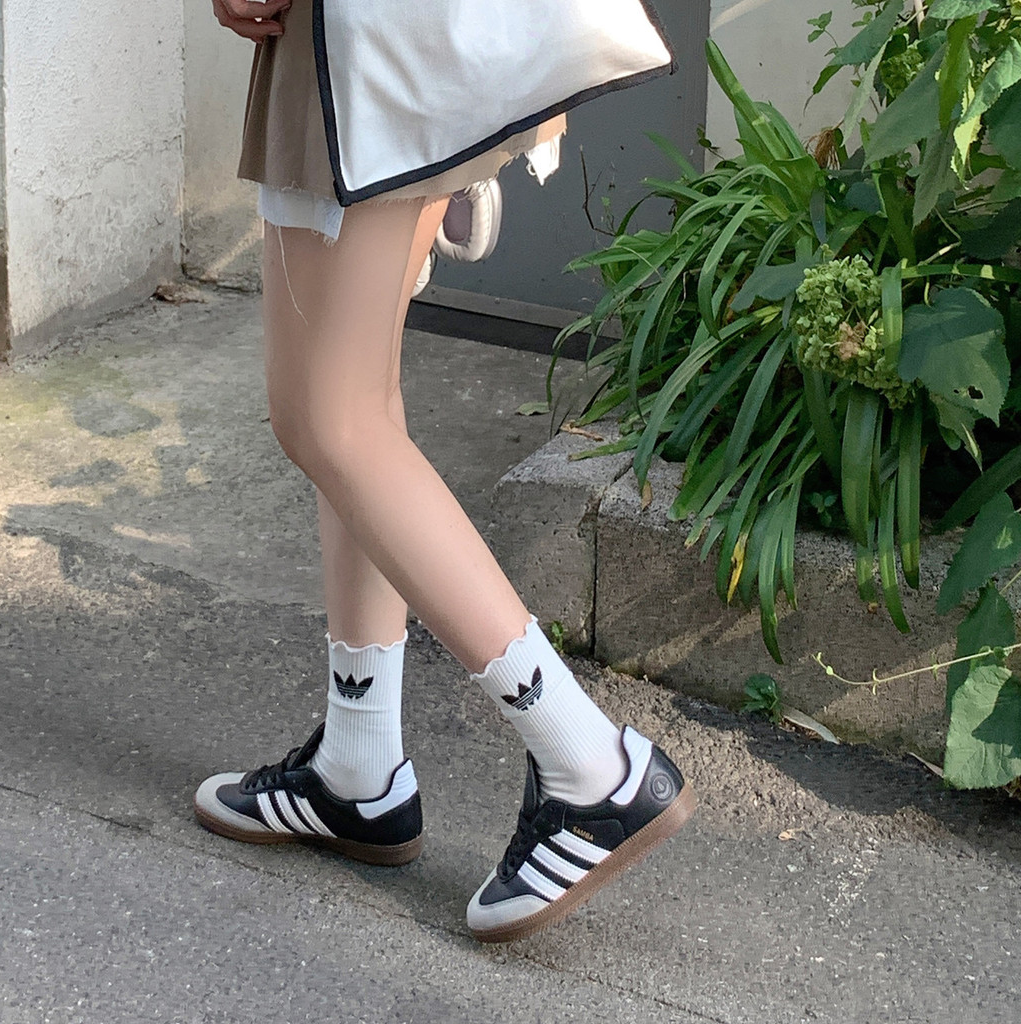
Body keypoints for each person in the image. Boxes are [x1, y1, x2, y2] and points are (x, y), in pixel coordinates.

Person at [195, 0, 696, 943]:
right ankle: (358, 767)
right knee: (357, 406)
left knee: (330, 418)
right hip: (410, 42)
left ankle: (591, 767)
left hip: (365, 44)